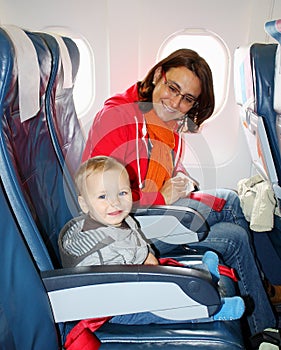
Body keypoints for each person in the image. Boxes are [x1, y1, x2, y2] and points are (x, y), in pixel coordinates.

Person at [81, 49, 279, 336]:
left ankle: (261, 303)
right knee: (233, 221)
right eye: (173, 88)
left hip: (147, 213)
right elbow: (103, 199)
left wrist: (182, 180)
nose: (175, 102)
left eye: (187, 99)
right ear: (159, 74)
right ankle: (264, 318)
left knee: (233, 215)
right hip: (127, 230)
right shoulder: (118, 118)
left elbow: (163, 168)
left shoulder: (160, 121)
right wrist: (162, 197)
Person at [58, 155, 244, 324]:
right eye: (102, 196)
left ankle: (202, 274)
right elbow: (116, 285)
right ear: (84, 204)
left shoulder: (119, 220)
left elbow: (136, 246)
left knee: (170, 276)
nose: (114, 202)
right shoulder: (99, 248)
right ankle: (211, 311)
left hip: (133, 281)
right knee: (162, 308)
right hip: (116, 306)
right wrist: (150, 270)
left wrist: (147, 258)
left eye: (122, 193)